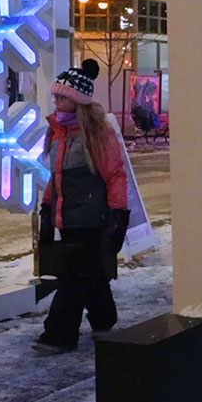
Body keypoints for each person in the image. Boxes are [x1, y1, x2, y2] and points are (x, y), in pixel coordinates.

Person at [35, 58, 131, 354]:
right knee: (87, 271)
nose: (56, 101)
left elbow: (115, 175)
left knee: (72, 277)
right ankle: (104, 317)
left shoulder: (97, 134)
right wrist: (48, 209)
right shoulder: (57, 133)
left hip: (91, 217)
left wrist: (118, 216)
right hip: (68, 215)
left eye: (61, 96)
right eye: (56, 96)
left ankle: (59, 335)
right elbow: (56, 176)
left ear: (77, 101)